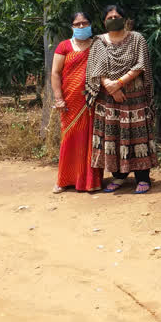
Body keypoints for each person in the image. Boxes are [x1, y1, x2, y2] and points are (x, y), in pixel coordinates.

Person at [85, 5, 158, 194]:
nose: (113, 19)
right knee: (113, 135)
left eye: (117, 16)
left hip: (134, 97)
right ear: (104, 22)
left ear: (124, 19)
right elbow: (95, 67)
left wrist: (118, 83)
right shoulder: (98, 42)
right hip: (108, 98)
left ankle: (143, 178)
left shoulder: (136, 39)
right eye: (109, 17)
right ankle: (118, 176)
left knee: (137, 134)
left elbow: (141, 64)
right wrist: (109, 86)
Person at [51, 12, 103, 193]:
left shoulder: (98, 45)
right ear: (71, 26)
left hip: (93, 99)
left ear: (90, 24)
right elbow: (55, 73)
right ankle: (64, 180)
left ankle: (89, 182)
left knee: (91, 140)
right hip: (70, 101)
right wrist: (58, 98)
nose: (81, 27)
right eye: (77, 24)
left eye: (85, 23)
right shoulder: (64, 46)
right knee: (70, 138)